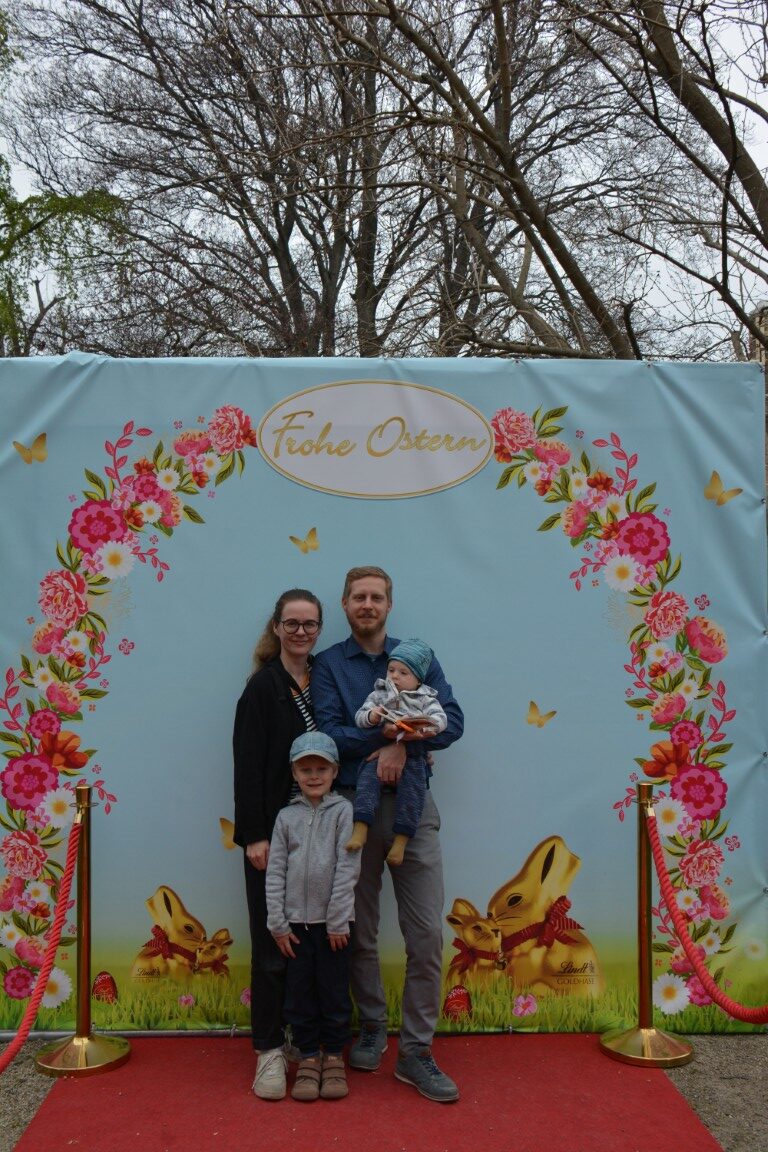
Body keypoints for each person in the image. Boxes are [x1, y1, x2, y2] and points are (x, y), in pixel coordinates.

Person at [312, 566, 464, 1103]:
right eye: (359, 597)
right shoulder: (329, 664)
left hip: (414, 809)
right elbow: (328, 733)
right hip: (353, 810)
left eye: (377, 597)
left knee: (426, 936)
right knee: (359, 930)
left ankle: (417, 1051)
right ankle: (372, 1026)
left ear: (389, 604)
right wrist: (386, 742)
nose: (368, 604)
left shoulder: (417, 656)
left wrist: (404, 745)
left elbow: (452, 721)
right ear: (345, 604)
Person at [232, 588, 323, 1101]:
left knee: (308, 943)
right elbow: (246, 764)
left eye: (309, 624)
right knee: (271, 943)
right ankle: (267, 1049)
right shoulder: (263, 687)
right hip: (272, 836)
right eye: (292, 623)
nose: (301, 632)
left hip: (319, 834)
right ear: (276, 627)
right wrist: (254, 835)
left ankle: (299, 1039)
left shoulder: (324, 680)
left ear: (319, 629)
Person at [266, 731, 360, 1102]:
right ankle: (308, 1055)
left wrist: (337, 920)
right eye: (306, 769)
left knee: (334, 993)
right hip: (294, 929)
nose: (314, 775)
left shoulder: (344, 812)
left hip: (334, 928)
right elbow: (275, 871)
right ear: (294, 773)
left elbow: (347, 869)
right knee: (299, 996)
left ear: (335, 771)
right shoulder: (286, 817)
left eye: (322, 768)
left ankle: (334, 1056)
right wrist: (278, 924)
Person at [349, 638, 447, 866]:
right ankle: (360, 827)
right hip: (379, 751)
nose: (394, 676)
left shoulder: (426, 698)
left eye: (403, 673)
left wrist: (428, 728)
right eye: (391, 670)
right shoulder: (379, 694)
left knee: (413, 791)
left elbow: (441, 719)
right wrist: (373, 716)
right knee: (366, 779)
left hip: (414, 755)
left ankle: (401, 842)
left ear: (418, 679)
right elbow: (360, 717)